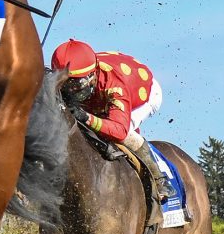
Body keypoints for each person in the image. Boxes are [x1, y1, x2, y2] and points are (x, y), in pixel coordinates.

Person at [49, 40, 170, 192]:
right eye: (65, 84)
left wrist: (87, 117)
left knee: (125, 135)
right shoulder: (81, 77)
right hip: (99, 96)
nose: (71, 90)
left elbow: (119, 131)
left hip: (142, 96)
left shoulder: (114, 86)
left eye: (77, 84)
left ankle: (159, 180)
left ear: (92, 75)